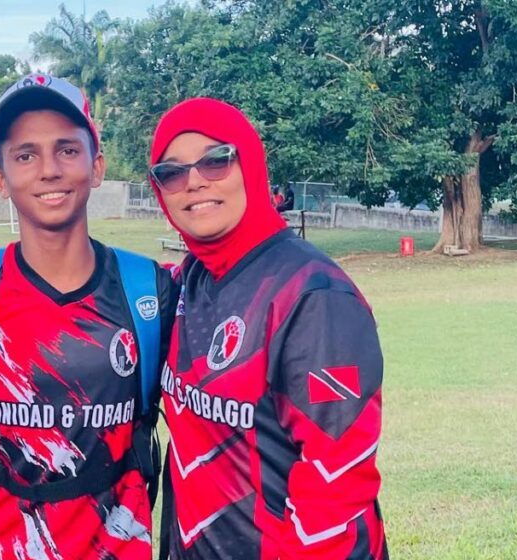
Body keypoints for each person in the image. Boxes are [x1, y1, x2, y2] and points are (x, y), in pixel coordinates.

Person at [0, 74, 177, 560]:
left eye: (67, 150)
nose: (49, 170)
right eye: (25, 155)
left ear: (97, 165)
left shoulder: (148, 290)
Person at [147, 98, 386, 559]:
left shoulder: (314, 295)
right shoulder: (188, 281)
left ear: (251, 165)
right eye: (171, 172)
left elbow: (338, 479)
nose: (194, 181)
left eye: (216, 160)